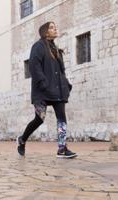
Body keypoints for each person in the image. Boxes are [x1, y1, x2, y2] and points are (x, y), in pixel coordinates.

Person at [17, 22, 77, 159]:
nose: (55, 29)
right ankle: (22, 139)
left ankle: (62, 149)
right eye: (51, 27)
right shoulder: (38, 46)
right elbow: (34, 66)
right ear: (44, 31)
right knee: (40, 118)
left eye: (55, 26)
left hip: (58, 90)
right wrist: (43, 82)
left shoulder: (56, 49)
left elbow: (61, 70)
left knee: (62, 118)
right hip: (42, 91)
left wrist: (66, 83)